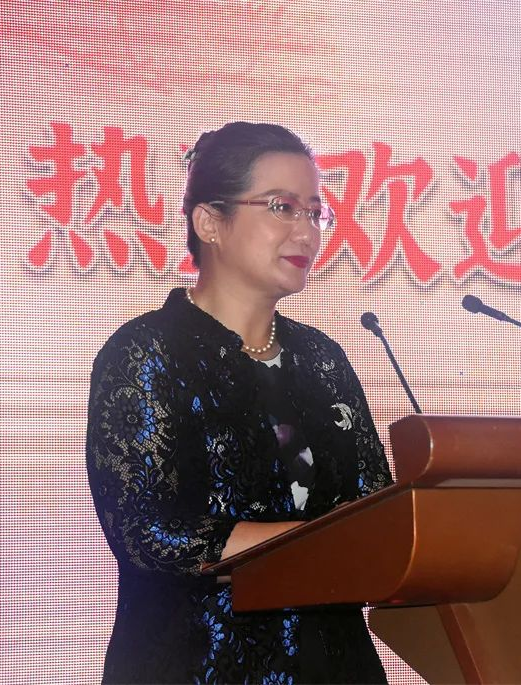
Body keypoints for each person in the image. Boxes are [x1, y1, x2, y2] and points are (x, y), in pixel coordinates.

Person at [85, 122, 393, 684]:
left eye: (315, 212)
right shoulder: (147, 352)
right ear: (209, 222)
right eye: (282, 207)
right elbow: (148, 533)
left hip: (334, 664)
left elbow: (375, 505)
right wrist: (321, 546)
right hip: (198, 664)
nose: (306, 231)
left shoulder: (322, 359)